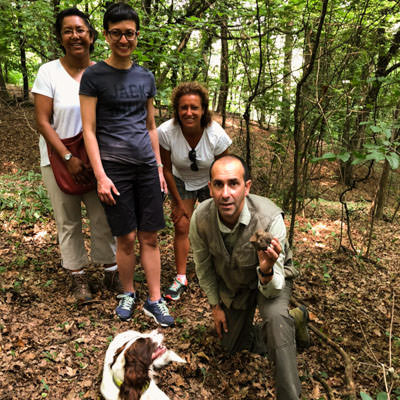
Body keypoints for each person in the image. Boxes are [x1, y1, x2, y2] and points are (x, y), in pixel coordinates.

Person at [79, 2, 173, 327]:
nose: (123, 39)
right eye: (116, 33)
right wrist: (101, 176)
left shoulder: (146, 77)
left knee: (150, 236)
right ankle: (128, 292)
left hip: (147, 167)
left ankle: (155, 299)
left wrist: (159, 169)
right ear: (105, 35)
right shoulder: (93, 76)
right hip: (114, 168)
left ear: (137, 35)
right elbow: (88, 129)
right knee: (126, 237)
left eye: (129, 33)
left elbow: (150, 125)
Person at [189, 154, 309, 399]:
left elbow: (274, 287)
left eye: (233, 183)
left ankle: (290, 394)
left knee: (275, 321)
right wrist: (215, 306)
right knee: (230, 345)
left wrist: (265, 270)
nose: (226, 193)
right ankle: (295, 320)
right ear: (210, 187)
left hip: (272, 281)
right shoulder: (200, 218)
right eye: (219, 184)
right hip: (236, 284)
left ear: (247, 187)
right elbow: (203, 266)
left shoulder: (270, 218)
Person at [32, 8, 117, 304]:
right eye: (68, 31)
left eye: (80, 30)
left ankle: (111, 270)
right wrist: (68, 158)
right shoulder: (48, 72)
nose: (75, 36)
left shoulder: (103, 72)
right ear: (60, 37)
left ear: (92, 36)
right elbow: (43, 120)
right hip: (58, 159)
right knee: (67, 220)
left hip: (97, 160)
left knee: (103, 216)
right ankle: (78, 278)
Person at [158, 82, 232, 301]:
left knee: (217, 225)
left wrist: (217, 197)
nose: (189, 113)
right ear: (177, 110)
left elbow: (224, 169)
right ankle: (181, 277)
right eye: (184, 108)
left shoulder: (216, 135)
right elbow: (166, 169)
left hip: (212, 179)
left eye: (194, 108)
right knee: (182, 225)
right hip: (180, 180)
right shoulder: (166, 132)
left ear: (203, 110)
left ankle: (219, 273)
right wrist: (178, 204)